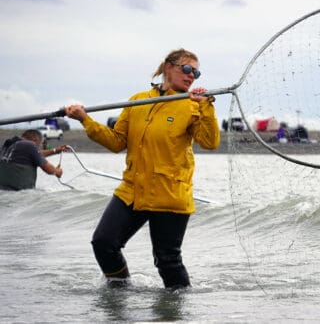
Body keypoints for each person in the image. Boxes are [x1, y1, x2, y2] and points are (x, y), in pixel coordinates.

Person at [65, 48, 220, 289]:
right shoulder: (138, 100)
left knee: (167, 262)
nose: (191, 76)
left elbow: (210, 142)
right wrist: (85, 119)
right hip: (133, 190)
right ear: (168, 67)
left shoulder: (192, 106)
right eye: (187, 69)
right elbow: (117, 142)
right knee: (103, 243)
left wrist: (206, 107)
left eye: (196, 73)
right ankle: (119, 290)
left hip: (170, 194)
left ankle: (177, 310)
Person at [0, 129, 67, 190]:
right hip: (18, 192)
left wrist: (56, 150)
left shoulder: (9, 144)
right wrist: (57, 171)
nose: (37, 148)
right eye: (38, 146)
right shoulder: (30, 145)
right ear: (35, 140)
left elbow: (36, 154)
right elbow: (46, 167)